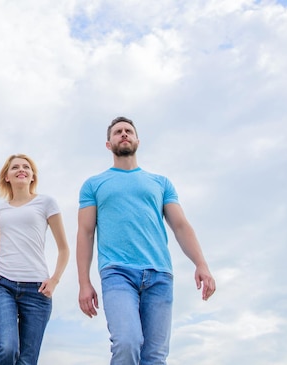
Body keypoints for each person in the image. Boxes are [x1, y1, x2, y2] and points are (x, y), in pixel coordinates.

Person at [76, 117, 216, 365]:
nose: (123, 134)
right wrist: (84, 283)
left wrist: (201, 264)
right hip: (117, 273)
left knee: (155, 357)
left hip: (159, 275)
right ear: (108, 144)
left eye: (128, 131)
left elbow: (181, 226)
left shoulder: (160, 183)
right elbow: (85, 233)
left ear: (138, 140)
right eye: (117, 132)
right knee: (127, 342)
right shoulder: (93, 185)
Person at [0, 154, 70, 365]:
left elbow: (63, 249)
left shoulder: (46, 202)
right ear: (7, 176)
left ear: (32, 176)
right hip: (3, 285)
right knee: (7, 348)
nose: (21, 169)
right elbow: (0, 252)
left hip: (37, 290)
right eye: (15, 167)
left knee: (27, 360)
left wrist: (55, 280)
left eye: (26, 167)